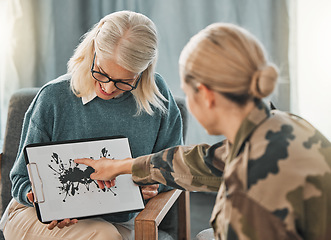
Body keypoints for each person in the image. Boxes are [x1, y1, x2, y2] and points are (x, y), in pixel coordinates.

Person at [76, 23, 331, 240]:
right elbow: (204, 161)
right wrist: (123, 167)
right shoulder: (279, 125)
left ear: (206, 96)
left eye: (187, 94)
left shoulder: (247, 197)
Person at [3, 10, 183, 240]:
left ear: (143, 72)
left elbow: (174, 167)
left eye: (124, 82)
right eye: (102, 73)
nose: (108, 89)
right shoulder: (54, 98)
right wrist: (40, 198)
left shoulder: (158, 98)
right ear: (93, 53)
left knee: (106, 234)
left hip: (121, 221)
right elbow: (20, 179)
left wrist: (154, 185)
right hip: (36, 216)